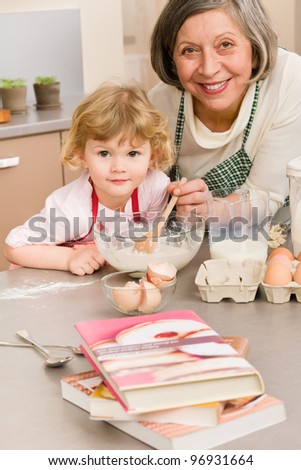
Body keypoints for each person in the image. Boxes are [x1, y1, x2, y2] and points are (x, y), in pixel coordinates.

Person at [149, 0, 301, 218]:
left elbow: (266, 194)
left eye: (226, 45)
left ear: (255, 50)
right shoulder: (159, 105)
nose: (209, 69)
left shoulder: (289, 79)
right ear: (171, 59)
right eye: (189, 50)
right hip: (192, 240)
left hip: (274, 236)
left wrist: (209, 208)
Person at [4, 83, 175, 275]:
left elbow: (154, 238)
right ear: (82, 155)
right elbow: (15, 247)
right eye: (104, 153)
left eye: (133, 153)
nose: (119, 167)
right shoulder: (71, 207)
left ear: (152, 156)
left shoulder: (155, 187)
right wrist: (69, 259)